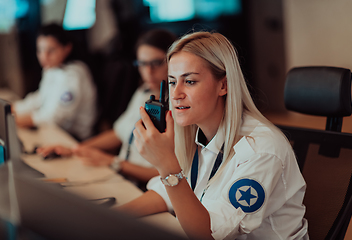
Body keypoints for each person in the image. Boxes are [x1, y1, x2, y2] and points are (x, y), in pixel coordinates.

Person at [116, 31, 309, 240]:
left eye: (189, 81)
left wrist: (166, 166)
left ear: (223, 85)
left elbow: (206, 235)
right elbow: (166, 194)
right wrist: (111, 217)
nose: (176, 94)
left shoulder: (261, 150)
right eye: (172, 82)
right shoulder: (197, 134)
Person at [37, 29, 177, 184]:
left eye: (156, 63)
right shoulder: (143, 92)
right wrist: (75, 149)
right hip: (123, 178)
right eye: (142, 64)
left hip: (146, 186)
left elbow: (170, 175)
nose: (148, 71)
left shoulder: (178, 106)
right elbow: (119, 132)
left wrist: (113, 162)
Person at [13, 23, 97, 141]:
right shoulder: (51, 68)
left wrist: (16, 120)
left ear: (67, 48)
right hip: (56, 130)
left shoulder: (74, 75)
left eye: (51, 50)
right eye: (40, 50)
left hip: (75, 137)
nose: (44, 56)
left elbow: (56, 117)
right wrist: (14, 108)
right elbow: (41, 97)